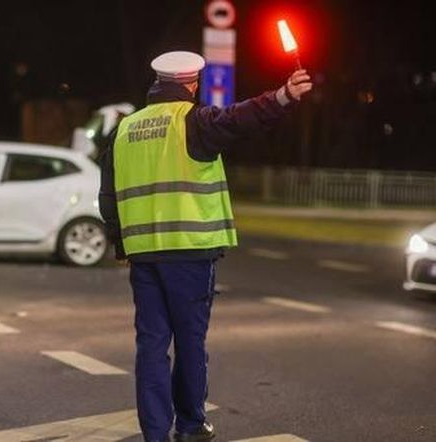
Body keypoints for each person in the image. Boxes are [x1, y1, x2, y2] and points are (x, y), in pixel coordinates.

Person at [98, 51, 312, 442]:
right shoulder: (194, 121)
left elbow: (107, 197)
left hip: (144, 255)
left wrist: (121, 245)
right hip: (190, 251)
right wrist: (283, 95)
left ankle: (155, 434)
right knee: (190, 341)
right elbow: (242, 118)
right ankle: (193, 425)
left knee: (151, 344)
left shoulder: (125, 129)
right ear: (192, 83)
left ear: (157, 82)